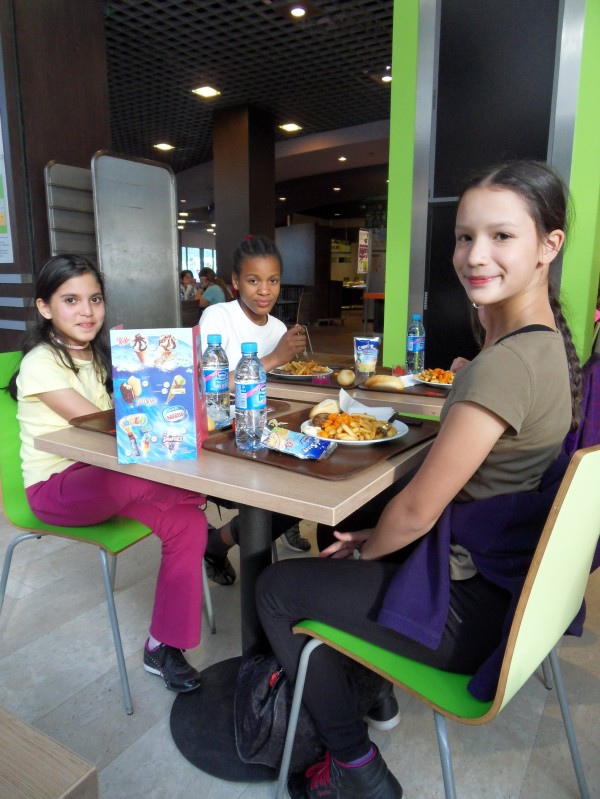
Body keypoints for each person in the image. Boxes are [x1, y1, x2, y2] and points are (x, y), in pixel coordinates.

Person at [256, 160, 582, 799]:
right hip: (504, 589)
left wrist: (369, 552)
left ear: (549, 245)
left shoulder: (505, 366)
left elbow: (416, 514)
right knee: (360, 521)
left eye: (501, 236)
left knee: (276, 588)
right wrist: (375, 536)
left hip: (464, 614)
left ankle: (354, 767)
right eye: (465, 237)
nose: (475, 255)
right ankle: (370, 688)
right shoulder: (548, 347)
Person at [8, 254, 209, 693]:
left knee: (189, 524)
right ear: (44, 307)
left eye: (95, 299)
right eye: (71, 300)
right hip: (55, 489)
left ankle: (162, 645)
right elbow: (99, 427)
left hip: (104, 475)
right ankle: (189, 491)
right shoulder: (42, 362)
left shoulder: (97, 356)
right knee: (142, 476)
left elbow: (128, 422)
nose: (87, 311)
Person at [200, 235, 312, 582]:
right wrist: (276, 356)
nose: (265, 291)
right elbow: (211, 384)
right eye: (253, 280)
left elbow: (281, 387)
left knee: (315, 466)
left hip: (267, 428)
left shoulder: (277, 327)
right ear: (235, 281)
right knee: (282, 489)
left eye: (273, 281)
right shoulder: (218, 316)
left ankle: (281, 519)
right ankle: (219, 542)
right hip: (224, 434)